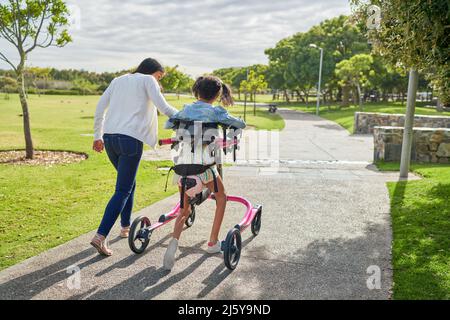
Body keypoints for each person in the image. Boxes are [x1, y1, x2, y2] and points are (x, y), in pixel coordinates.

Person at [91, 58, 178, 256]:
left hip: (110, 140)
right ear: (153, 72)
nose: (159, 80)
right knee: (122, 190)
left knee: (129, 184)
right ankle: (100, 236)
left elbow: (99, 107)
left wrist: (97, 135)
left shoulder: (118, 80)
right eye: (159, 76)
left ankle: (125, 227)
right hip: (130, 140)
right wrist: (188, 116)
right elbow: (163, 108)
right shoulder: (148, 80)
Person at [163, 75, 246, 270]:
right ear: (218, 94)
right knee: (222, 197)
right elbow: (239, 125)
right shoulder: (216, 111)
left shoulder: (185, 110)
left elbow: (169, 124)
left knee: (183, 209)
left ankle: (173, 243)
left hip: (181, 169)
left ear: (197, 91)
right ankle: (212, 242)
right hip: (204, 170)